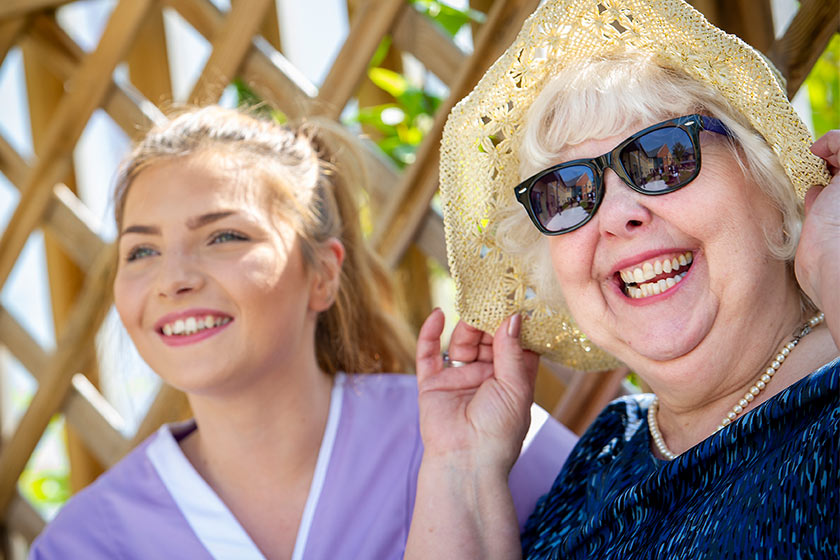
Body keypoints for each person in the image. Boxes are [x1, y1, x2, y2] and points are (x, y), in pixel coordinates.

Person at [29, 107, 577, 559]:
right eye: (142, 250)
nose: (173, 279)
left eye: (223, 237)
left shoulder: (481, 435)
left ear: (322, 275)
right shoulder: (86, 542)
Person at [406, 0, 839, 558]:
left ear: (770, 178)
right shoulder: (610, 449)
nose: (615, 216)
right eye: (566, 193)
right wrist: (462, 466)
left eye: (662, 157)